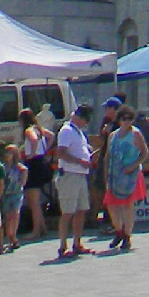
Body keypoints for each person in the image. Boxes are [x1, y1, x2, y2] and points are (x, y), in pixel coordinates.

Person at [101, 106, 149, 252]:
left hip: (130, 175)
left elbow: (144, 153)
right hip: (115, 175)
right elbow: (107, 156)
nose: (127, 121)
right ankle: (119, 231)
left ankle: (127, 236)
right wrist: (105, 175)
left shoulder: (135, 134)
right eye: (124, 118)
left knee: (128, 206)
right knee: (111, 205)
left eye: (130, 118)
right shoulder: (113, 135)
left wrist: (133, 166)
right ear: (119, 120)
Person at [53, 103, 95, 257]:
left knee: (81, 210)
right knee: (68, 211)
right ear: (79, 118)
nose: (86, 124)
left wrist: (87, 151)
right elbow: (61, 153)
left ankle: (77, 243)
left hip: (80, 174)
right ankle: (62, 245)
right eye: (86, 120)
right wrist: (80, 161)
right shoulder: (67, 130)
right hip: (70, 174)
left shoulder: (78, 131)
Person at [20, 108, 53, 245]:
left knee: (33, 201)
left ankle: (36, 230)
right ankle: (42, 226)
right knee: (36, 200)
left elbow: (33, 140)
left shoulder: (28, 130)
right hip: (41, 163)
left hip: (33, 164)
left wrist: (31, 154)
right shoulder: (39, 128)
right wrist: (44, 149)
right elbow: (51, 135)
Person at [0, 132, 28, 254]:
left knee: (15, 214)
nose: (7, 155)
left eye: (10, 153)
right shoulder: (3, 167)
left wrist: (23, 178)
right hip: (6, 194)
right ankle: (10, 236)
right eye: (6, 153)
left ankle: (13, 236)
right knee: (8, 216)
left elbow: (23, 178)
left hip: (16, 193)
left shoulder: (19, 167)